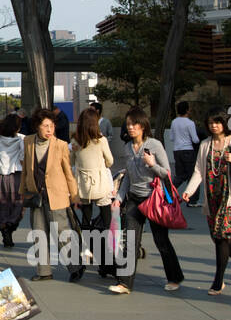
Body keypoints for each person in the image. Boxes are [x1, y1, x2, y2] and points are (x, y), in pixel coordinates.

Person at [181, 111, 231, 294]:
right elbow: (199, 171)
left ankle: (218, 281)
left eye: (217, 122)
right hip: (212, 197)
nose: (214, 126)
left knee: (222, 238)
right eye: (210, 122)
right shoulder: (206, 144)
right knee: (219, 239)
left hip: (230, 198)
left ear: (224, 123)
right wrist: (189, 191)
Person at [109, 108, 183, 294]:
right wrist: (119, 197)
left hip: (154, 199)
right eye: (128, 125)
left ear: (143, 126)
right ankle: (125, 283)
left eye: (134, 124)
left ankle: (174, 277)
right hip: (134, 198)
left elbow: (167, 173)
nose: (131, 127)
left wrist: (152, 164)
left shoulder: (155, 145)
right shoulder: (127, 148)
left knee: (161, 241)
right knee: (131, 241)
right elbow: (127, 177)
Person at [20, 108, 82, 282]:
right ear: (37, 127)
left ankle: (75, 266)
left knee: (62, 232)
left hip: (57, 194)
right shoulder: (28, 141)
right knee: (39, 232)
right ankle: (44, 272)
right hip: (36, 195)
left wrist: (74, 195)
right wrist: (23, 192)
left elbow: (68, 172)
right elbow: (26, 169)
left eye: (51, 126)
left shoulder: (61, 145)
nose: (49, 130)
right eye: (45, 126)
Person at [70, 107, 116, 277]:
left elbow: (71, 162)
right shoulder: (101, 140)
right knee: (106, 219)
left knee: (86, 220)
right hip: (101, 185)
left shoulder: (75, 142)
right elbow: (110, 161)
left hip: (84, 187)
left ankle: (89, 248)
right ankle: (108, 255)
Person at [0, 114, 26, 247]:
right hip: (16, 175)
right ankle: (10, 227)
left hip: (0, 175)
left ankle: (3, 229)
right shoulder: (22, 139)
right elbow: (23, 158)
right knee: (18, 206)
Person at [169, 102, 200, 206]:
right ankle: (192, 200)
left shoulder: (174, 122)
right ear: (187, 110)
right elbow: (195, 139)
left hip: (177, 151)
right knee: (192, 175)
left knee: (180, 176)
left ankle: (167, 193)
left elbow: (171, 137)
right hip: (188, 150)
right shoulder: (190, 123)